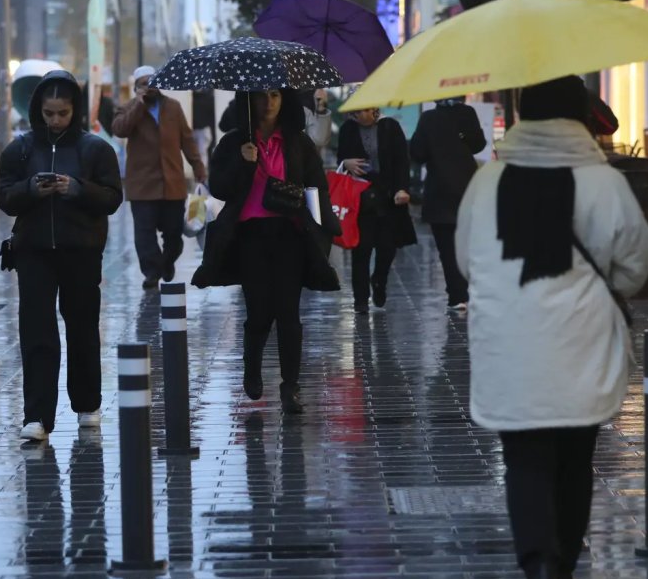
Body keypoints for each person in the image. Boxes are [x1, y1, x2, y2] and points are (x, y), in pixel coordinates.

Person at [455, 76, 648, 579]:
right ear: (579, 116)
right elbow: (634, 267)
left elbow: (467, 262)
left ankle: (538, 576)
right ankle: (564, 570)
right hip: (581, 341)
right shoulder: (604, 182)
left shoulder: (488, 181)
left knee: (524, 459)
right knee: (574, 457)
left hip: (508, 342)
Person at [192, 89, 341, 415]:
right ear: (249, 99)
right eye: (261, 95)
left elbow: (317, 187)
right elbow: (219, 188)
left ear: (284, 99)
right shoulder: (233, 143)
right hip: (250, 237)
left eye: (275, 95)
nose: (269, 102)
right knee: (259, 312)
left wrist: (322, 229)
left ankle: (291, 386)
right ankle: (252, 369)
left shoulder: (298, 142)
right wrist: (242, 163)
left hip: (290, 234)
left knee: (289, 314)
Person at [0, 70, 123, 443]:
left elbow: (112, 198)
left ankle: (87, 404)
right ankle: (37, 416)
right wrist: (30, 190)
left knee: (82, 328)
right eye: (48, 113)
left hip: (81, 251)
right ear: (38, 109)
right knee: (37, 333)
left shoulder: (94, 149)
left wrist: (78, 189)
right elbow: (3, 195)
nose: (55, 120)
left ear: (74, 110)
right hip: (33, 252)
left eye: (62, 113)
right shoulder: (20, 148)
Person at [111, 65, 208, 289]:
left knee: (174, 235)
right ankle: (152, 273)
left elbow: (187, 139)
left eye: (153, 82)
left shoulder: (173, 107)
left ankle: (167, 262)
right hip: (142, 186)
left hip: (172, 183)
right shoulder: (128, 108)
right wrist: (138, 104)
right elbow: (120, 129)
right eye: (144, 83)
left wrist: (198, 166)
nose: (150, 86)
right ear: (136, 88)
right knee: (144, 235)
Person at [336, 106, 417, 312]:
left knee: (387, 248)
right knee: (361, 250)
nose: (361, 115)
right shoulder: (348, 129)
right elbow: (340, 159)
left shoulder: (390, 126)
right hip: (360, 200)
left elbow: (402, 161)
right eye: (356, 112)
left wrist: (402, 188)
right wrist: (346, 163)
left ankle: (379, 279)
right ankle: (361, 299)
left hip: (388, 197)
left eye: (365, 111)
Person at [410, 97, 487, 312]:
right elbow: (478, 145)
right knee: (469, 245)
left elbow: (417, 153)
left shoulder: (428, 118)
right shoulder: (467, 113)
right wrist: (461, 135)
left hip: (439, 189)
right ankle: (470, 291)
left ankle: (457, 295)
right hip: (467, 187)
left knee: (447, 248)